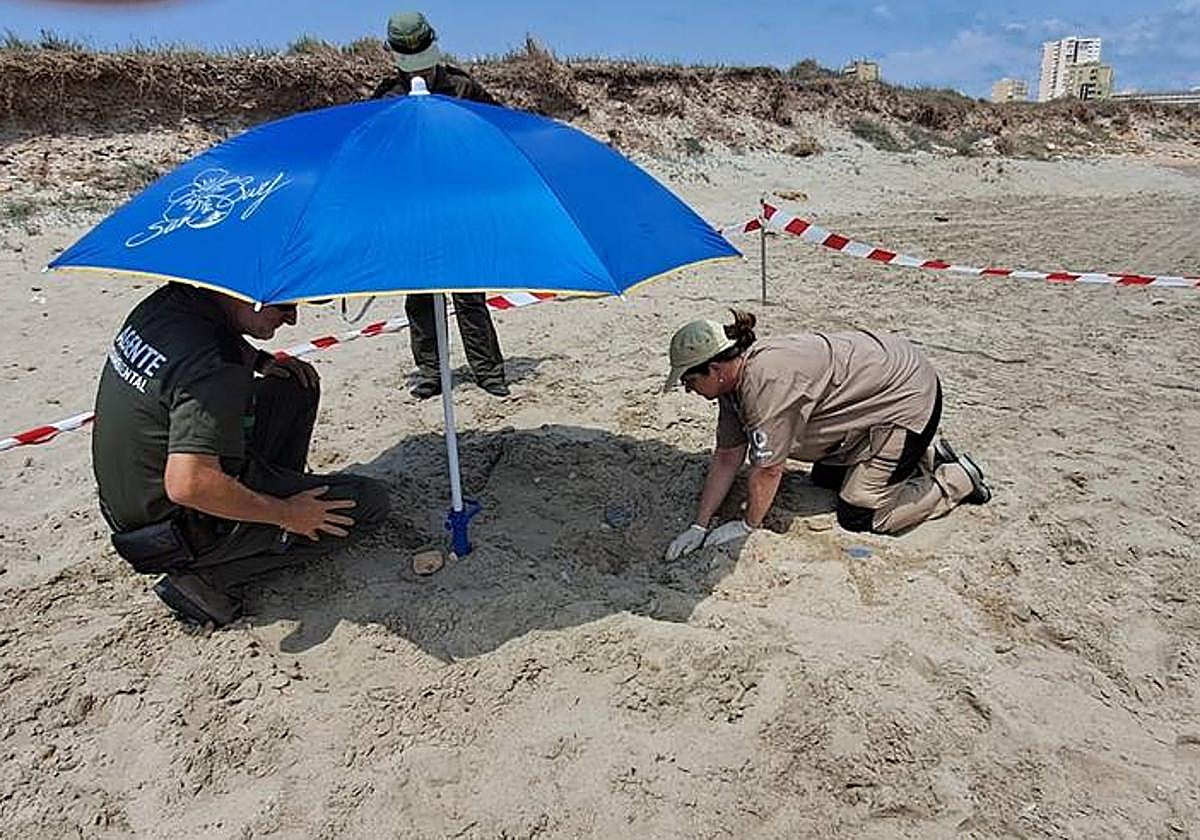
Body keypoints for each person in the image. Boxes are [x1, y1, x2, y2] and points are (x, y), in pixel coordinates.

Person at [92, 282, 391, 627]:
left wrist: (259, 361)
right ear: (248, 294)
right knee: (368, 503)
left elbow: (201, 350)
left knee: (294, 385)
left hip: (130, 503)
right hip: (176, 528)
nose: (292, 320)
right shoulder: (212, 365)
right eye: (285, 307)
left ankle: (263, 509)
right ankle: (209, 580)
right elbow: (190, 485)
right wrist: (287, 513)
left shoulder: (170, 302)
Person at [663, 311, 991, 561]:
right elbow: (727, 456)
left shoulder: (764, 382)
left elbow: (768, 469)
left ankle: (957, 478)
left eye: (690, 381)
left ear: (715, 370)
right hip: (877, 394)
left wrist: (749, 525)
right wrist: (700, 525)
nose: (689, 390)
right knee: (825, 478)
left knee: (861, 514)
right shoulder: (732, 383)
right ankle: (926, 457)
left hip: (910, 398)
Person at [372, 10, 509, 399]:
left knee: (469, 294)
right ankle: (431, 372)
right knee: (420, 296)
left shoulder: (463, 88)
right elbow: (375, 154)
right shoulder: (387, 98)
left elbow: (499, 130)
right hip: (412, 210)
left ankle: (488, 370)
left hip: (459, 206)